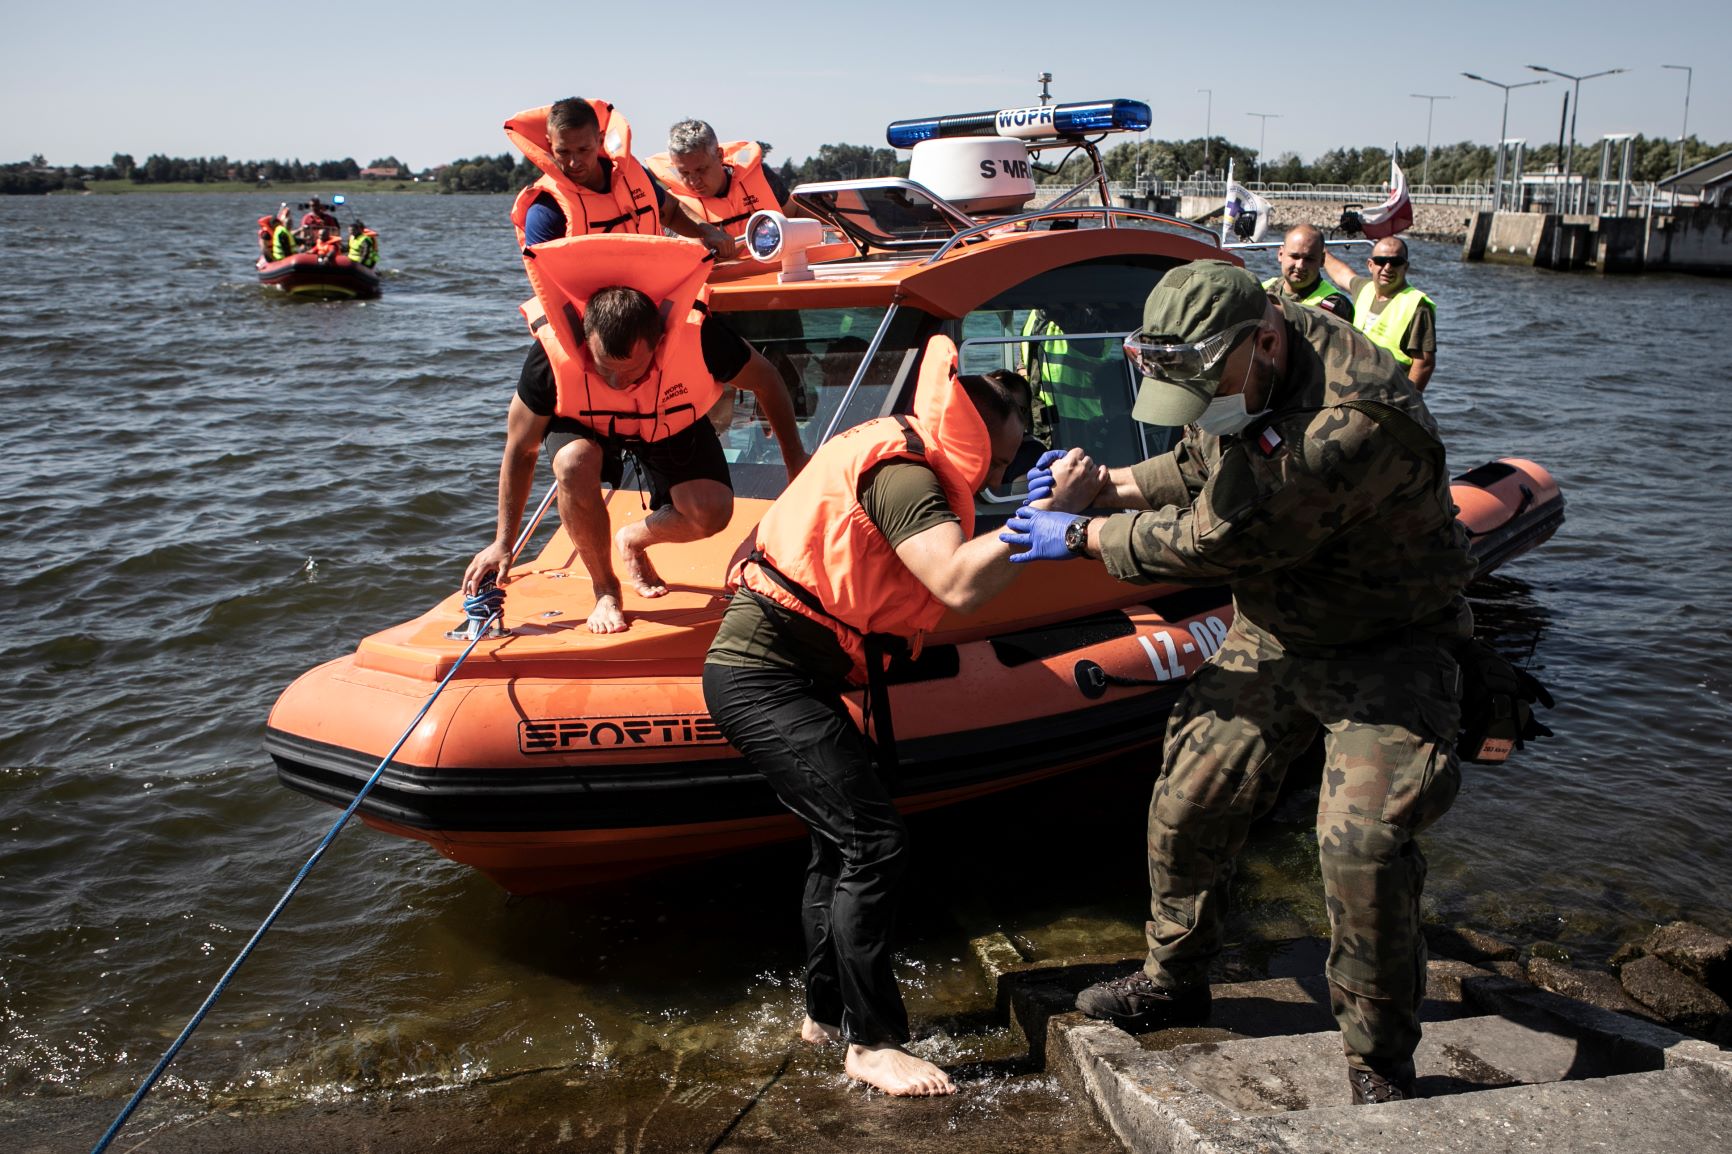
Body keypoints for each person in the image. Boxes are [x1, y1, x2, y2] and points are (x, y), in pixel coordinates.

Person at [1000, 260, 1474, 1106]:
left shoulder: (1347, 425)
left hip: (1387, 642)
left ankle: (1379, 1062)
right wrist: (1111, 482)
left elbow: (1213, 541)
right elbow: (1198, 462)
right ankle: (1174, 977)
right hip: (1276, 626)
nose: (1198, 405)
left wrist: (1082, 535)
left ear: (1262, 344)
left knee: (1360, 846)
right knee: (1189, 799)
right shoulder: (1250, 361)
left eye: (1206, 383)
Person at [703, 337, 1088, 1097]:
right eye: (1004, 458)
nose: (1003, 473)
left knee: (835, 845)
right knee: (873, 843)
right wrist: (1048, 514)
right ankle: (872, 1043)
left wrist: (1024, 503)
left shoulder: (906, 453)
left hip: (788, 675)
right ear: (974, 430)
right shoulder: (905, 473)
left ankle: (823, 1013)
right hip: (761, 677)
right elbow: (955, 583)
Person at [462, 234, 807, 633]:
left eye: (632, 370)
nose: (617, 381)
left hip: (666, 414)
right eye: (604, 366)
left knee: (712, 513)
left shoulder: (701, 338)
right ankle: (605, 589)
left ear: (659, 342)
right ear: (585, 341)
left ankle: (634, 539)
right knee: (573, 463)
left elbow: (767, 380)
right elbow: (520, 449)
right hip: (585, 423)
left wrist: (795, 461)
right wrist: (503, 541)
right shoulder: (550, 355)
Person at [504, 99, 736, 260]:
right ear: (549, 144)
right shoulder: (545, 209)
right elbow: (547, 280)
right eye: (563, 152)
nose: (574, 162)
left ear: (600, 139)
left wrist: (707, 231)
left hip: (651, 296)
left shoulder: (633, 176)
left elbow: (672, 212)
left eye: (584, 149)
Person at [645, 119, 792, 244]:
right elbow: (690, 256)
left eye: (701, 170)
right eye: (684, 173)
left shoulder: (760, 175)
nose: (694, 181)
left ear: (720, 155)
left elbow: (795, 212)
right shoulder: (672, 206)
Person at [1324, 238, 1435, 390]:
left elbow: (1424, 363)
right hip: (1357, 391)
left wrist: (1407, 403)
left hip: (1390, 397)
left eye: (1395, 262)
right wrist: (1320, 251)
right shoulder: (1365, 289)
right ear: (1370, 265)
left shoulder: (1417, 305)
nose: (1388, 268)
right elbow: (1342, 274)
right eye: (1381, 261)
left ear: (1405, 267)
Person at [1263, 225, 1353, 323]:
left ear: (1322, 260)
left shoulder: (1335, 304)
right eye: (1295, 256)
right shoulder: (1263, 289)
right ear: (1281, 254)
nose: (1300, 266)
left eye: (1309, 259)